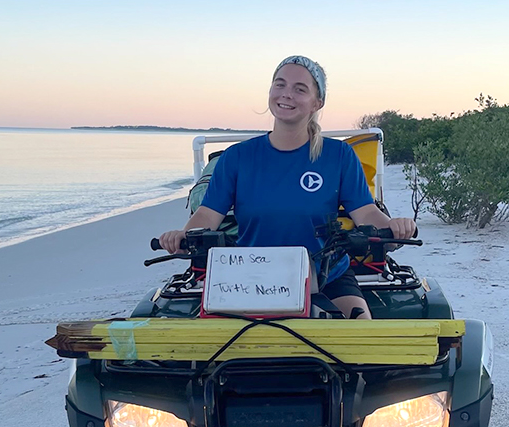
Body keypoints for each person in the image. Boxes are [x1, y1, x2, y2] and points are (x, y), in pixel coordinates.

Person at [159, 55, 416, 319]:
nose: (287, 94)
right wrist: (182, 236)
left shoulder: (339, 155)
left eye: (300, 89)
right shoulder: (236, 157)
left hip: (325, 274)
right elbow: (207, 215)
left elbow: (365, 212)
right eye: (279, 85)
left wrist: (394, 226)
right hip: (253, 275)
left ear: (318, 102)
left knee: (360, 332)